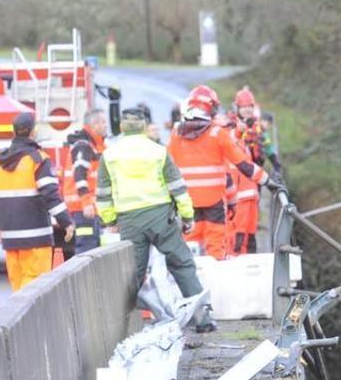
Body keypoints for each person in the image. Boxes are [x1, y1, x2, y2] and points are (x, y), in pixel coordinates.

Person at [96, 107, 215, 332]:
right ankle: (203, 320)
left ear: (121, 127)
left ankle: (121, 325)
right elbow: (177, 187)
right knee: (182, 264)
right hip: (161, 218)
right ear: (143, 126)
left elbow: (102, 192)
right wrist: (187, 215)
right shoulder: (158, 151)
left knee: (132, 273)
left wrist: (110, 219)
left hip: (129, 220)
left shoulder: (109, 154)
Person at [167, 86, 278, 260]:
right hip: (214, 203)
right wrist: (268, 181)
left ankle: (193, 283)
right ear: (211, 108)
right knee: (215, 247)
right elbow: (243, 165)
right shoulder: (218, 134)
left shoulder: (176, 134)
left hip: (187, 203)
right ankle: (215, 282)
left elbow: (167, 169)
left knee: (191, 246)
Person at [0, 112, 72, 291]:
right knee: (34, 290)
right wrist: (66, 222)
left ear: (13, 132)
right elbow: (50, 194)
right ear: (33, 132)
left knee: (18, 288)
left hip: (10, 239)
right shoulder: (37, 159)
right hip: (36, 239)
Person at [63, 109, 108, 256]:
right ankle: (85, 280)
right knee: (86, 250)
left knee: (92, 247)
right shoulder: (84, 146)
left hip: (87, 207)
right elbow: (80, 175)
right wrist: (86, 203)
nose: (106, 125)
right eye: (103, 122)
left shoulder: (93, 146)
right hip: (82, 208)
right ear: (94, 124)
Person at [229, 87, 267, 255]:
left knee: (250, 231)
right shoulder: (232, 129)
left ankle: (248, 256)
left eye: (250, 107)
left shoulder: (256, 128)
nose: (247, 110)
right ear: (237, 108)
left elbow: (264, 149)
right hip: (239, 188)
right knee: (238, 231)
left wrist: (276, 165)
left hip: (253, 186)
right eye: (244, 107)